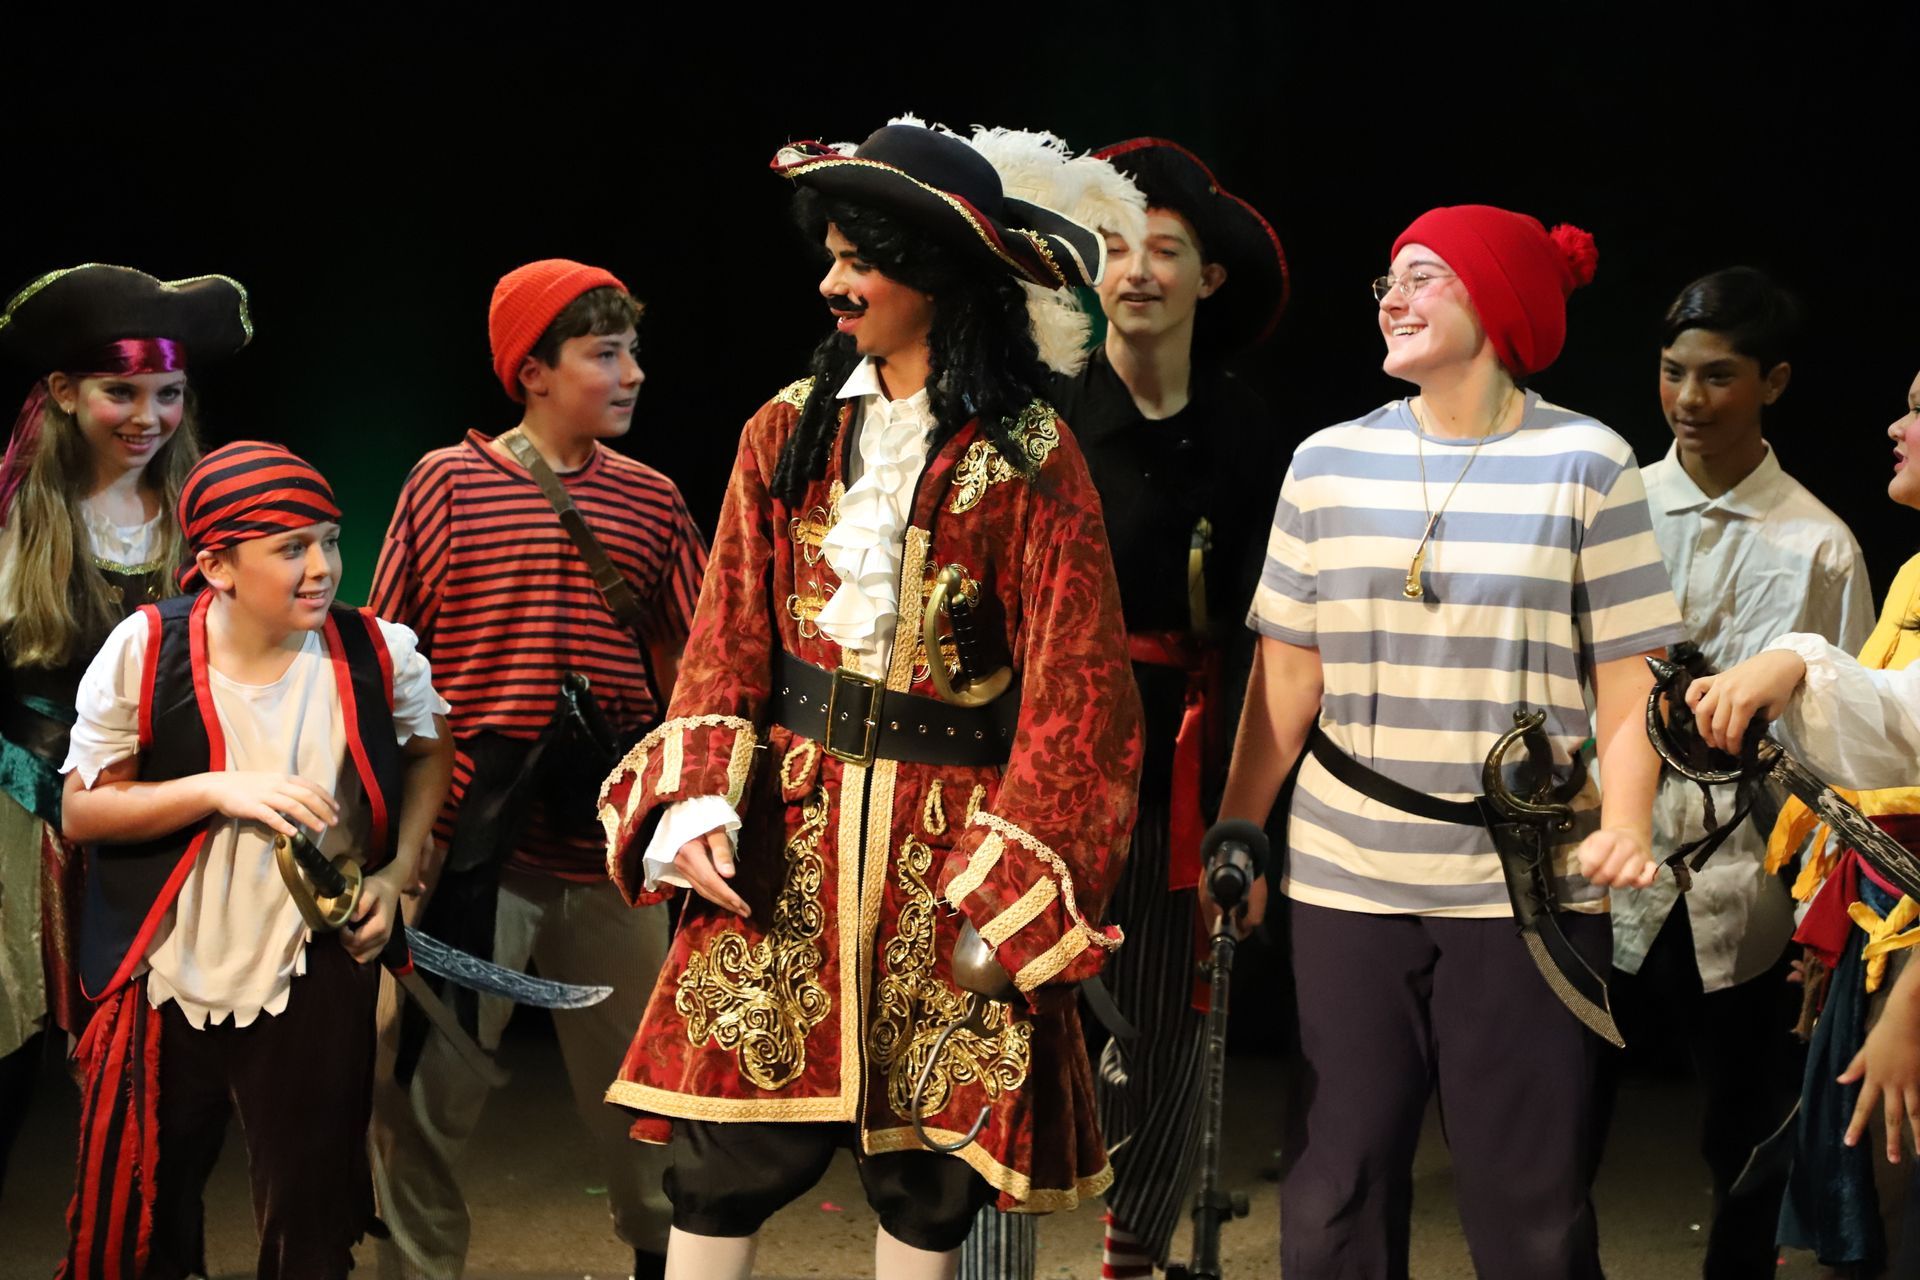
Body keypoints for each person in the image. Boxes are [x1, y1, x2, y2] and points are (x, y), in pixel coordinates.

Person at [597, 122, 1143, 1280]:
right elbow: (727, 633)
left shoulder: (1031, 456)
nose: (833, 283)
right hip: (786, 829)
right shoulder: (785, 431)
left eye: (861, 260)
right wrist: (695, 800)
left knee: (931, 1169)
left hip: (944, 841)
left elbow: (1080, 690)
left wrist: (1015, 873)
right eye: (833, 255)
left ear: (937, 276)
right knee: (721, 1149)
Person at [1211, 205, 1685, 1278]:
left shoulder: (1587, 461)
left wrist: (1624, 817)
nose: (1393, 294)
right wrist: (1241, 823)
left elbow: (1627, 671)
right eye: (1390, 275)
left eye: (1425, 276)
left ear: (1499, 300)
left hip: (1525, 877)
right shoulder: (1327, 462)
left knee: (1528, 1190)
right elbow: (1288, 670)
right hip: (1348, 867)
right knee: (1336, 1178)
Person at [959, 135, 1290, 1280]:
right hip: (1044, 759)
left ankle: (1134, 1249)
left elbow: (1266, 636)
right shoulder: (1037, 416)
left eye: (1167, 249)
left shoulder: (1253, 438)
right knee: (1012, 1008)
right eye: (1113, 247)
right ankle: (992, 1259)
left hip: (1183, 766)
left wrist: (1252, 813)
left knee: (1161, 1024)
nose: (1137, 269)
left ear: (1210, 277)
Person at [367, 260, 703, 1280]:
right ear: (534, 370)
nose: (633, 372)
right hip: (474, 854)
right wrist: (400, 838)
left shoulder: (651, 502)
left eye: (631, 350)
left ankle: (663, 1261)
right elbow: (386, 662)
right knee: (427, 1093)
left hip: (610, 858)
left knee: (653, 1101)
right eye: (606, 353)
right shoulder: (445, 482)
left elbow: (700, 666)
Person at [55, 440, 453, 1280]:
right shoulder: (146, 650)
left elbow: (432, 748)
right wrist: (215, 788)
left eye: (331, 540)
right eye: (291, 548)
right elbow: (83, 809)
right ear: (218, 566)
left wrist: (398, 868)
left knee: (308, 1221)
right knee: (143, 1213)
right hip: (163, 965)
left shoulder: (377, 653)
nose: (322, 567)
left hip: (308, 963)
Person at [1602, 265, 1873, 1278]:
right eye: (1673, 372)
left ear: (1776, 381)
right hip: (1612, 848)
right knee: (1567, 1103)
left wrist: (1822, 913)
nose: (1686, 400)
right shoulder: (1616, 504)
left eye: (1718, 377)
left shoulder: (1821, 547)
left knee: (1746, 1121)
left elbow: (1844, 742)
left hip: (1747, 871)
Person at [0, 263, 247, 1200]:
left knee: (164, 1070)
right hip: (24, 814)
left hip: (159, 809)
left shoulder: (200, 524)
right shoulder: (17, 519)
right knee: (12, 1050)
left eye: (169, 393)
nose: (148, 415)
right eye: (121, 392)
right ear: (64, 394)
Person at [1686, 366, 1920, 1276]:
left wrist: (1795, 655)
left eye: (1918, 410)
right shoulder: (1911, 575)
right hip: (1882, 943)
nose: (1898, 427)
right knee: (1857, 1226)